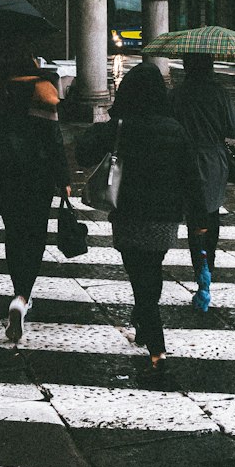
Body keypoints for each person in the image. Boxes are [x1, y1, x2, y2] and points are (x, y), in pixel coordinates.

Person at [76, 62, 202, 372]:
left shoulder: (121, 127)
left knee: (139, 274)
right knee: (152, 269)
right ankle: (145, 322)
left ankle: (155, 340)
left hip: (130, 215)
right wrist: (198, 219)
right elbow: (192, 178)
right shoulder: (175, 130)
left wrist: (107, 121)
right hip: (165, 218)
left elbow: (82, 153)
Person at [0, 44, 69, 344]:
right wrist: (63, 178)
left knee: (14, 231)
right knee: (36, 234)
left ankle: (18, 288)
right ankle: (22, 296)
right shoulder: (42, 88)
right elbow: (53, 139)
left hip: (1, 174)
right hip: (38, 174)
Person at [171, 53, 235, 314]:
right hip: (213, 161)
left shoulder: (176, 94)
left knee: (194, 219)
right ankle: (207, 268)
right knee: (211, 214)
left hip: (184, 158)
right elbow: (233, 129)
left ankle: (198, 270)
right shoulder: (220, 94)